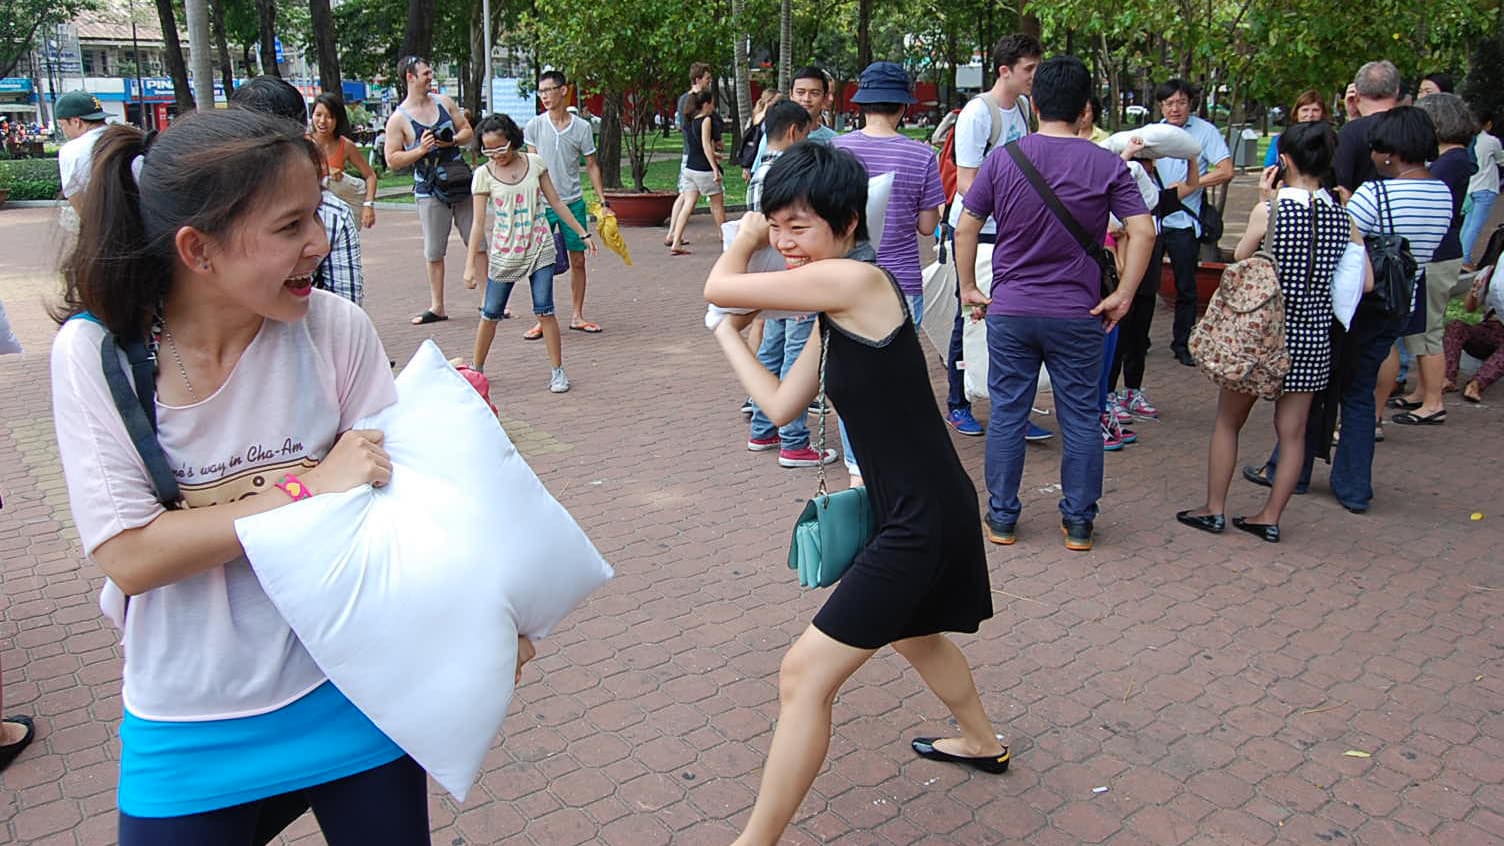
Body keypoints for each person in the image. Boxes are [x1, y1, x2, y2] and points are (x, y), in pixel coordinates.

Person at [49, 108, 541, 843]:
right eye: (289, 227)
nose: (320, 240)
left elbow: (400, 506)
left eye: (317, 212)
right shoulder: (99, 355)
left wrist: (489, 614)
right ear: (197, 249)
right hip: (190, 720)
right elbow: (132, 554)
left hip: (354, 687)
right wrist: (309, 487)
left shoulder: (334, 327)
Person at [705, 142, 1007, 846]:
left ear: (845, 224)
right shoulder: (836, 307)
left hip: (920, 520)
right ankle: (981, 740)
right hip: (907, 510)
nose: (784, 242)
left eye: (797, 227)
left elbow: (721, 285)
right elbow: (781, 405)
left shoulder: (858, 281)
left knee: (803, 676)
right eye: (775, 226)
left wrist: (744, 237)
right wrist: (728, 338)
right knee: (914, 634)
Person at [956, 55, 1154, 551]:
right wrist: (1123, 294)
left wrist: (968, 286)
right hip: (1078, 312)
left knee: (1007, 413)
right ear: (1085, 108)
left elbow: (965, 226)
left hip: (1012, 310)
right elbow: (1144, 230)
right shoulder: (1107, 164)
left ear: (1035, 103)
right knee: (1081, 417)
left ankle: (1002, 518)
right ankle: (1079, 523)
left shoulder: (1005, 159)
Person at [1258, 107, 1452, 513]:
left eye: (1378, 148)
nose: (1374, 155)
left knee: (1314, 390)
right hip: (1398, 304)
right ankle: (1354, 487)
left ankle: (1292, 471)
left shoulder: (1376, 194)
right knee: (1361, 394)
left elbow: (1338, 241)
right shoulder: (1443, 193)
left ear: (1391, 152)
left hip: (1357, 307)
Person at [1176, 121, 1359, 543]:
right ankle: (1270, 517)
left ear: (1284, 161)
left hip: (1260, 335)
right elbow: (1357, 280)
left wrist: (1264, 200)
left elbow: (1242, 256)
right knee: (1293, 433)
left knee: (1228, 422)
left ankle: (1214, 508)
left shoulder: (1272, 210)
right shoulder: (1343, 217)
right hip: (1311, 338)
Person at [941, 33, 1043, 440]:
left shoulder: (1024, 107)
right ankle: (958, 402)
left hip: (1011, 229)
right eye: (1028, 69)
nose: (1034, 76)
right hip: (975, 230)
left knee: (1012, 317)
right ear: (1005, 70)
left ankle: (1012, 408)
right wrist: (1012, 207)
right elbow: (967, 182)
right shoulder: (977, 113)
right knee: (968, 315)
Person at [463, 113, 596, 394]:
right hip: (505, 251)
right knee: (490, 312)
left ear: (512, 140)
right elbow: (477, 224)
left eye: (501, 147)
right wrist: (470, 265)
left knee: (545, 309)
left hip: (539, 246)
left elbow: (556, 202)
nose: (497, 155)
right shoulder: (483, 175)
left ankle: (558, 371)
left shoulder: (534, 163)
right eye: (489, 150)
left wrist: (582, 233)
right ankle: (477, 369)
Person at [743, 101, 832, 468]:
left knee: (771, 349)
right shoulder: (791, 175)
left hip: (769, 277)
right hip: (795, 277)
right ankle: (793, 440)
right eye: (807, 132)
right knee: (798, 356)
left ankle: (763, 428)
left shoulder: (759, 172)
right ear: (795, 131)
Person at [232, 75, 365, 306]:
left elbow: (345, 310)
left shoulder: (333, 211)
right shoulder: (333, 213)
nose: (317, 244)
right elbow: (346, 307)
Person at [1387, 93, 1476, 427]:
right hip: (1438, 251)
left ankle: (1433, 401)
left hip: (1438, 254)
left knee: (1429, 329)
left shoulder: (1450, 162)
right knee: (1421, 328)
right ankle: (1422, 391)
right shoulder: (1452, 159)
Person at [833, 61, 946, 324]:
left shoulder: (835, 149)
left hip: (844, 277)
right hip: (901, 280)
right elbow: (927, 227)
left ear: (862, 104)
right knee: (900, 352)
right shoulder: (923, 155)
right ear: (903, 106)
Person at [383, 55, 475, 325]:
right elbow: (392, 159)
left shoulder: (444, 102)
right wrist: (421, 150)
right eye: (425, 73)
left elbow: (467, 131)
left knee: (477, 242)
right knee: (434, 251)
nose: (430, 77)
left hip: (459, 181)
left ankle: (489, 302)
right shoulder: (398, 119)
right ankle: (438, 306)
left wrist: (452, 141)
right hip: (430, 189)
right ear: (410, 77)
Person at [1152, 78, 1234, 367]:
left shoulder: (1204, 132)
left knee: (1186, 286)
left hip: (1185, 222)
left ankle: (1183, 343)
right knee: (1144, 285)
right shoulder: (1153, 133)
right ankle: (1137, 342)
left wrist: (1192, 184)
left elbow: (1225, 170)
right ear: (1161, 106)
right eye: (1169, 103)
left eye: (1181, 102)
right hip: (1153, 221)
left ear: (1190, 104)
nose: (1175, 108)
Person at [524, 70, 609, 336]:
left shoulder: (582, 127)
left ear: (563, 90)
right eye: (541, 91)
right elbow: (531, 166)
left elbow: (591, 165)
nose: (544, 96)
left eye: (549, 90)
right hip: (542, 205)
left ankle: (577, 315)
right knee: (540, 263)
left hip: (572, 202)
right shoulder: (535, 126)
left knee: (578, 260)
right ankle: (543, 317)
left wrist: (602, 200)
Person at [667, 91, 727, 254]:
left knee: (687, 205)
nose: (713, 107)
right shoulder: (706, 120)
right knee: (717, 205)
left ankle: (676, 241)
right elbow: (706, 145)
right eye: (712, 103)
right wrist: (715, 168)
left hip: (690, 169)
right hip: (703, 169)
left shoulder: (690, 120)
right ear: (706, 104)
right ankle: (726, 237)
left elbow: (696, 146)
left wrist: (714, 154)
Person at [1334, 61, 1401, 202]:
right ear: (1397, 91)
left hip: (1361, 210)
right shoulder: (1412, 126)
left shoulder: (1350, 132)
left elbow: (1342, 185)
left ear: (1357, 93)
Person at [311, 93, 379, 229]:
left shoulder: (346, 146)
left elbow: (370, 175)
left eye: (329, 117)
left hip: (333, 218)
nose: (322, 121)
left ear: (338, 119)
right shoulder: (302, 143)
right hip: (309, 215)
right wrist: (325, 170)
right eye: (318, 115)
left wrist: (368, 205)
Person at [1443, 260, 1504, 402]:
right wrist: (1474, 293)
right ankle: (1447, 377)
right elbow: (1469, 308)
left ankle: (1476, 384)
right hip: (1489, 329)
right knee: (1456, 326)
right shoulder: (1491, 272)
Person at [666, 61, 712, 246]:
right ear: (698, 79)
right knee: (686, 195)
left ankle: (673, 234)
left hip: (691, 153)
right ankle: (673, 234)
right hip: (693, 154)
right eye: (707, 78)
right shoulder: (690, 99)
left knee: (685, 195)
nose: (709, 82)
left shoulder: (689, 98)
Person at [55, 91, 110, 214]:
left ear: (76, 122)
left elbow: (75, 195)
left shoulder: (71, 150)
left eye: (62, 125)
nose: (64, 131)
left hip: (103, 219)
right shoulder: (128, 138)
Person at [1461, 108, 1502, 267]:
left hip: (1471, 187)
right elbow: (1501, 159)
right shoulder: (1491, 141)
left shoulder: (1466, 140)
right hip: (1486, 187)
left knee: (1467, 225)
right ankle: (1465, 259)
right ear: (1488, 124)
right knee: (1475, 226)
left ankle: (1462, 255)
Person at [1263, 90, 1329, 168]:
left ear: (1323, 114)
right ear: (1296, 114)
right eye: (1305, 110)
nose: (1310, 115)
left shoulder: (1330, 141)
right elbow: (1269, 168)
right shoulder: (1280, 140)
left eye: (1315, 110)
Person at [738, 89, 783, 182]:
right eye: (777, 102)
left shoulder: (755, 117)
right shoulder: (764, 119)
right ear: (769, 102)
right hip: (759, 158)